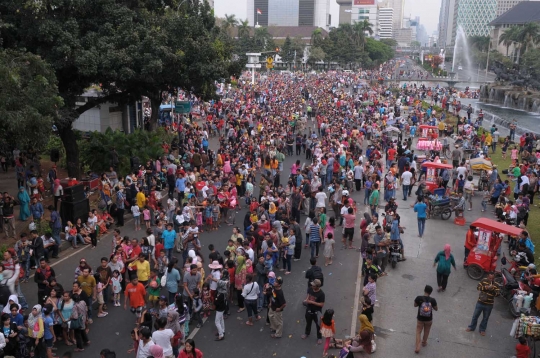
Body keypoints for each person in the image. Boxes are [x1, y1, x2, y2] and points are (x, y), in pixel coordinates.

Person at [466, 272, 500, 336]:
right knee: (475, 316)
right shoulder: (483, 281)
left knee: (485, 318)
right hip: (480, 302)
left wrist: (492, 289)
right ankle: (471, 327)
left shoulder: (496, 284)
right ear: (487, 276)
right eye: (490, 278)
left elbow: (497, 294)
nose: (491, 280)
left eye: (492, 278)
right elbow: (478, 287)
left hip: (489, 304)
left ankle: (482, 330)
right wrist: (485, 287)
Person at [414, 285, 438, 354]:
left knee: (418, 331)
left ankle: (418, 346)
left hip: (420, 318)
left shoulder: (419, 298)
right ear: (430, 292)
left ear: (424, 290)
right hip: (429, 319)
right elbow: (436, 309)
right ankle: (424, 342)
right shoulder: (433, 300)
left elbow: (415, 305)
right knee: (427, 330)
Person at [302, 279, 325, 344]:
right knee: (308, 323)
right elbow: (308, 295)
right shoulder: (310, 289)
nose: (312, 286)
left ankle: (319, 337)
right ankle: (307, 333)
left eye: (314, 286)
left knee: (318, 325)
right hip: (309, 310)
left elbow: (321, 304)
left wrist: (312, 302)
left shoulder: (321, 294)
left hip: (317, 312)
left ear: (317, 286)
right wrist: (306, 300)